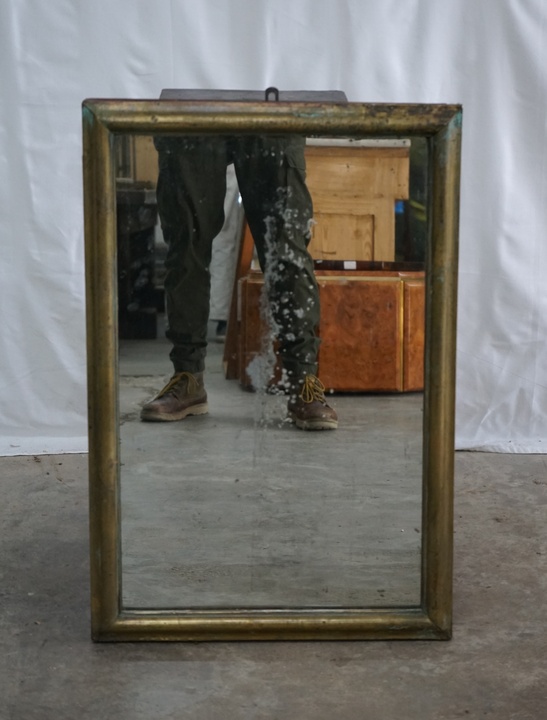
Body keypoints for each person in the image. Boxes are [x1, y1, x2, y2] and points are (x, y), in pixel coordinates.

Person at [140, 134, 338, 430]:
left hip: (270, 111)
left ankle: (303, 381)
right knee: (186, 244)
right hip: (195, 111)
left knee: (286, 245)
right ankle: (187, 376)